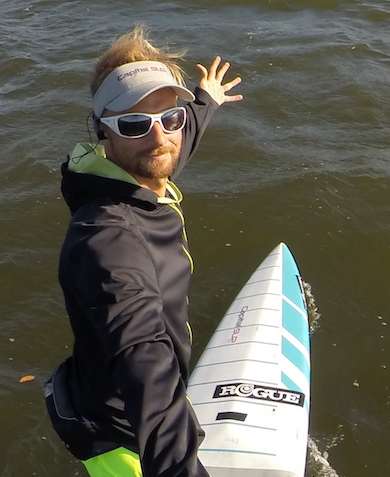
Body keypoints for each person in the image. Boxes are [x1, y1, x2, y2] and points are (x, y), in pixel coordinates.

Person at [45, 25, 243, 477]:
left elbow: (178, 136)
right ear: (103, 133)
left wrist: (203, 100)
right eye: (135, 124)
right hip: (122, 435)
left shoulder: (138, 165)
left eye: (168, 118)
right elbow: (144, 357)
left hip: (110, 387)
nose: (159, 139)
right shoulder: (107, 239)